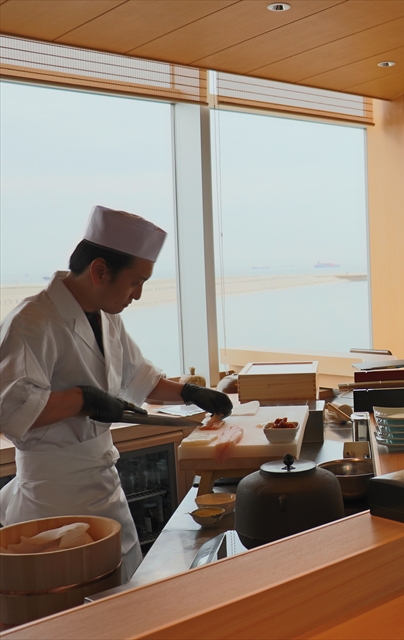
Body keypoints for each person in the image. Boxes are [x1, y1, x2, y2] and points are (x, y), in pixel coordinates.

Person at [0, 205, 233, 583]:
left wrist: (191, 392)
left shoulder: (106, 316)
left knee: (125, 588)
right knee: (72, 599)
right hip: (51, 497)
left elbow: (140, 379)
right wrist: (84, 399)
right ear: (99, 271)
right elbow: (12, 409)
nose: (137, 295)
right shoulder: (32, 322)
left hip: (104, 484)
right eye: (135, 282)